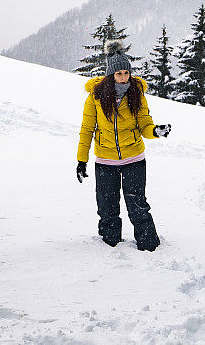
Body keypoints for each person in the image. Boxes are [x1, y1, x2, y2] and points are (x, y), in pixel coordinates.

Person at [76, 40, 172, 251]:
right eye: (118, 73)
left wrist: (155, 131)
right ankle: (110, 246)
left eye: (126, 73)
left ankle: (149, 245)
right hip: (105, 160)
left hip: (134, 159)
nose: (123, 77)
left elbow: (145, 124)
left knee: (137, 204)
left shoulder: (136, 93)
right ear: (111, 75)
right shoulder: (96, 96)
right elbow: (87, 129)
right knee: (107, 206)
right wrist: (81, 160)